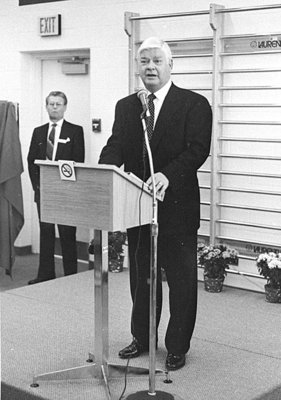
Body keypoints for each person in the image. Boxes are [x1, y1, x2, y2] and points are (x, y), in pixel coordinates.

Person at [99, 37, 212, 371]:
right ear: (137, 66)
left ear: (170, 65)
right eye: (144, 61)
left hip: (177, 206)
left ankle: (177, 345)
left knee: (180, 281)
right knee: (142, 279)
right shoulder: (127, 105)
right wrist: (103, 169)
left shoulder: (194, 104)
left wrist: (167, 173)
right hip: (136, 206)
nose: (150, 67)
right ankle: (143, 338)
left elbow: (198, 148)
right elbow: (116, 144)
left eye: (156, 61)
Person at [27, 91, 85, 284]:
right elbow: (31, 161)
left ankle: (70, 275)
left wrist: (67, 188)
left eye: (58, 104)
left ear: (65, 107)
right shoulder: (39, 131)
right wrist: (38, 187)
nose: (54, 107)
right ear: (46, 106)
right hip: (44, 192)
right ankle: (45, 274)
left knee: (68, 233)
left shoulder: (75, 131)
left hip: (66, 193)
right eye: (51, 104)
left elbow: (78, 162)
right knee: (46, 232)